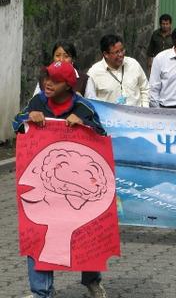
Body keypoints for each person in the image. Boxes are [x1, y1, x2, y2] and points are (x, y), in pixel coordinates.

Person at [13, 61, 107, 298]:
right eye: (46, 78)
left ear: (68, 85)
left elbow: (102, 137)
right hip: (46, 188)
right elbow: (17, 123)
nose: (48, 83)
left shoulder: (83, 107)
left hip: (77, 191)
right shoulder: (37, 102)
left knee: (87, 232)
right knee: (36, 232)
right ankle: (41, 292)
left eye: (54, 80)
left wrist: (85, 125)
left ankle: (92, 280)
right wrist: (27, 118)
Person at [86, 34, 149, 107]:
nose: (121, 55)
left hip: (136, 115)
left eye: (122, 50)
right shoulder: (94, 73)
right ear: (106, 54)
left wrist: (145, 109)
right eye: (116, 52)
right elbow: (90, 99)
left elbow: (145, 88)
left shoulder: (133, 64)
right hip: (110, 117)